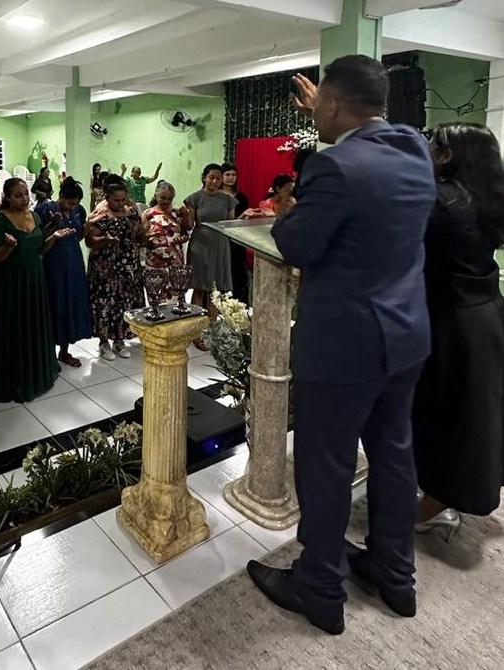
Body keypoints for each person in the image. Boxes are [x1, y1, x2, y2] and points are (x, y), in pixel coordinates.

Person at [245, 56, 437, 635]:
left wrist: (288, 212)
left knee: (325, 465)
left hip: (346, 346)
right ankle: (394, 575)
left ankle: (320, 587)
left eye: (319, 106)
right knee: (394, 456)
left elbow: (298, 245)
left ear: (331, 104)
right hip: (405, 337)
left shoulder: (334, 166)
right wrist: (328, 109)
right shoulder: (414, 148)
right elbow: (361, 142)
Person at [412, 123, 504, 535]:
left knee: (447, 416)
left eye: (432, 146)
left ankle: (437, 501)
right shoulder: (487, 198)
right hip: (486, 313)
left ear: (447, 155)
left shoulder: (442, 200)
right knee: (474, 414)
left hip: (455, 322)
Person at [0, 178, 71, 402]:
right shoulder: (0, 221)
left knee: (33, 326)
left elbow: (39, 249)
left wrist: (54, 234)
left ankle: (36, 375)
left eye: (25, 194)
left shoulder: (34, 216)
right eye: (18, 195)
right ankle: (15, 381)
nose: (24, 199)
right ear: (7, 197)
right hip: (10, 284)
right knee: (15, 330)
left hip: (35, 280)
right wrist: (7, 246)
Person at [35, 177, 93, 367]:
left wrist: (88, 227)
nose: (72, 207)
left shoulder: (79, 211)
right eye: (69, 203)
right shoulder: (46, 209)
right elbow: (38, 239)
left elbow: (78, 236)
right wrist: (53, 226)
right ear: (60, 196)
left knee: (71, 302)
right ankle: (48, 354)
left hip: (74, 262)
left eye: (75, 204)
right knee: (54, 302)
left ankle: (65, 351)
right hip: (53, 262)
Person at [86, 181, 146, 361]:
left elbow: (138, 233)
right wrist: (105, 239)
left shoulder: (132, 211)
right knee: (106, 304)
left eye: (123, 199)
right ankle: (104, 342)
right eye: (116, 200)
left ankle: (120, 340)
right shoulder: (100, 214)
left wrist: (146, 235)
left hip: (128, 266)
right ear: (107, 197)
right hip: (106, 268)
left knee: (124, 303)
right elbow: (90, 241)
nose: (120, 203)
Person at [184, 163, 237, 349]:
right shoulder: (194, 198)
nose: (215, 181)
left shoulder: (228, 200)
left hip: (220, 244)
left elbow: (230, 224)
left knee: (215, 290)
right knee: (199, 287)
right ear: (204, 178)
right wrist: (184, 215)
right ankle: (196, 331)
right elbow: (189, 225)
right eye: (211, 177)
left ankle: (211, 330)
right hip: (200, 244)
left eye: (218, 178)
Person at [141, 181, 191, 300]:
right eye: (163, 198)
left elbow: (187, 232)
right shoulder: (148, 214)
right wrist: (150, 236)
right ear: (156, 196)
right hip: (155, 265)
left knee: (176, 299)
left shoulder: (178, 213)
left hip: (175, 264)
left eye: (169, 198)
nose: (166, 201)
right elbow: (141, 239)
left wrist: (186, 215)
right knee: (156, 298)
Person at [220, 163, 250, 303]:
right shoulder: (215, 196)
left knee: (237, 272)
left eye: (234, 175)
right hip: (220, 239)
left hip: (237, 241)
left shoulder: (241, 197)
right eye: (227, 174)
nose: (231, 178)